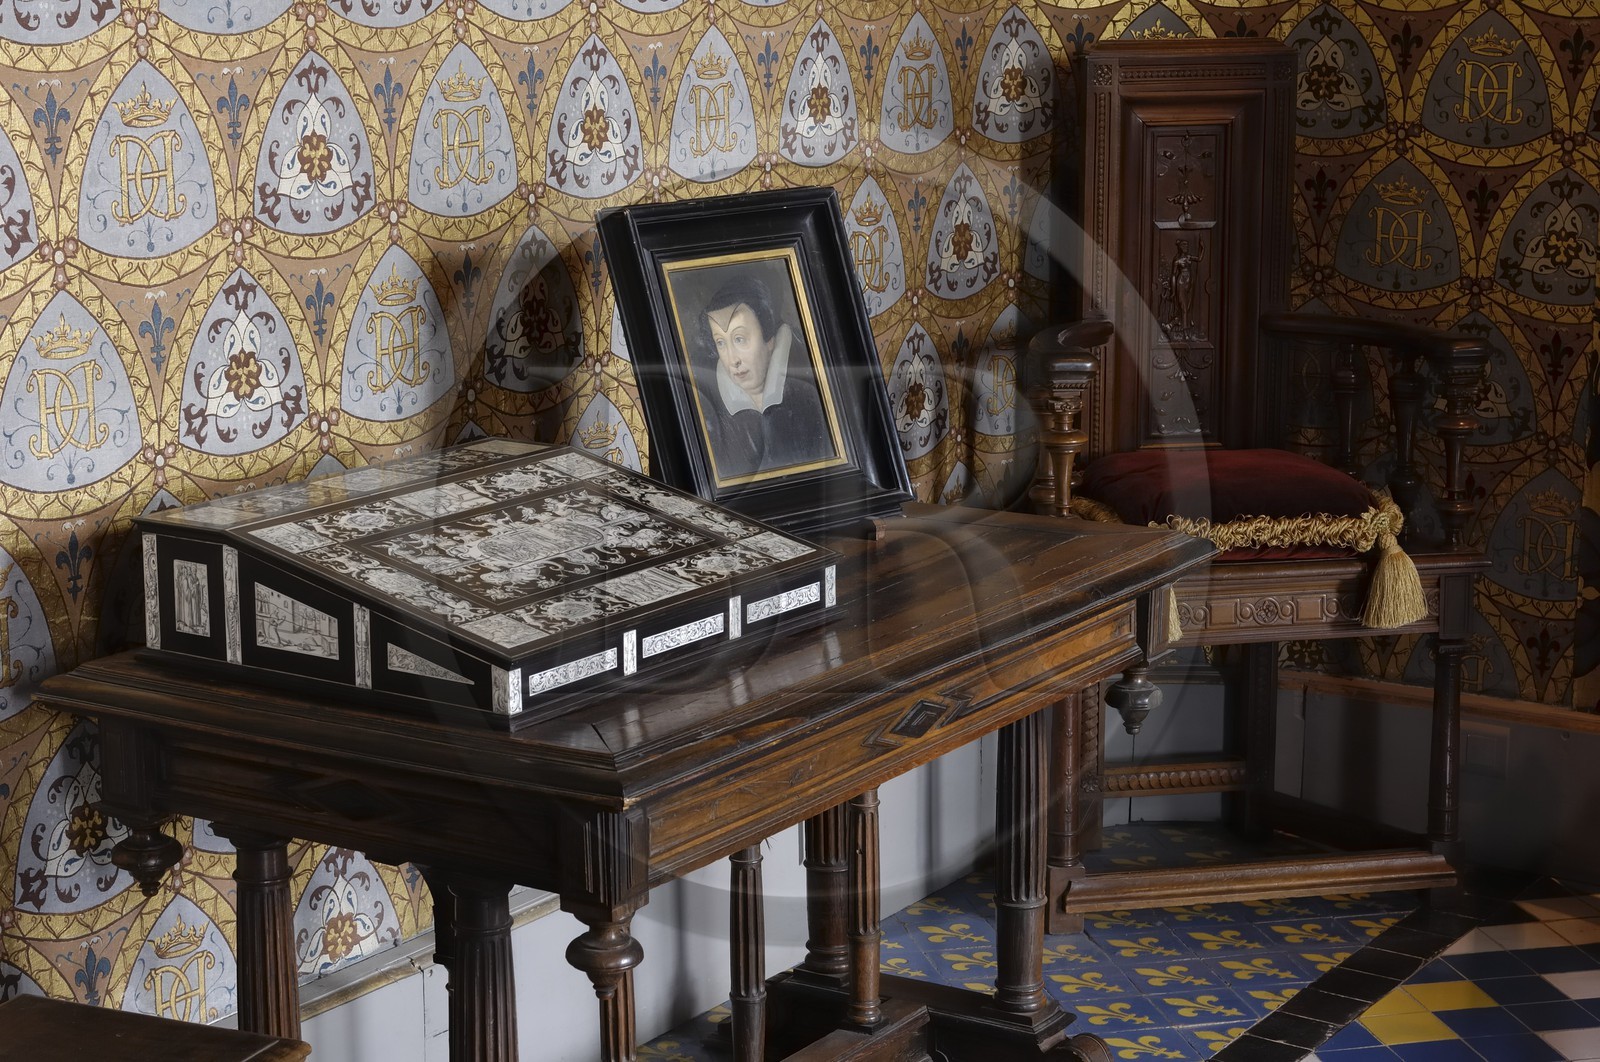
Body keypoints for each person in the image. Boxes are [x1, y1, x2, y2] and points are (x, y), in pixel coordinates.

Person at [694, 273, 836, 480]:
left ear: (769, 339)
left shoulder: (809, 397)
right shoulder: (706, 409)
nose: (732, 360)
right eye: (721, 343)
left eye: (740, 339)